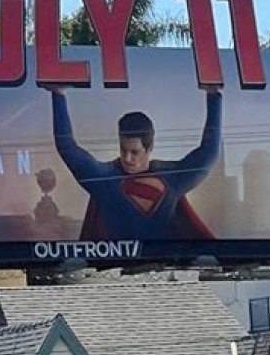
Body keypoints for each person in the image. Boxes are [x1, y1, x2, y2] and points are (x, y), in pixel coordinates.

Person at [46, 85, 222, 240]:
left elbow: (208, 153)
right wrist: (58, 95)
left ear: (149, 148)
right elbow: (67, 147)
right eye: (123, 150)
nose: (127, 158)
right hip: (116, 265)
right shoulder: (104, 180)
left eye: (135, 152)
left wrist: (213, 95)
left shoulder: (172, 178)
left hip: (164, 264)